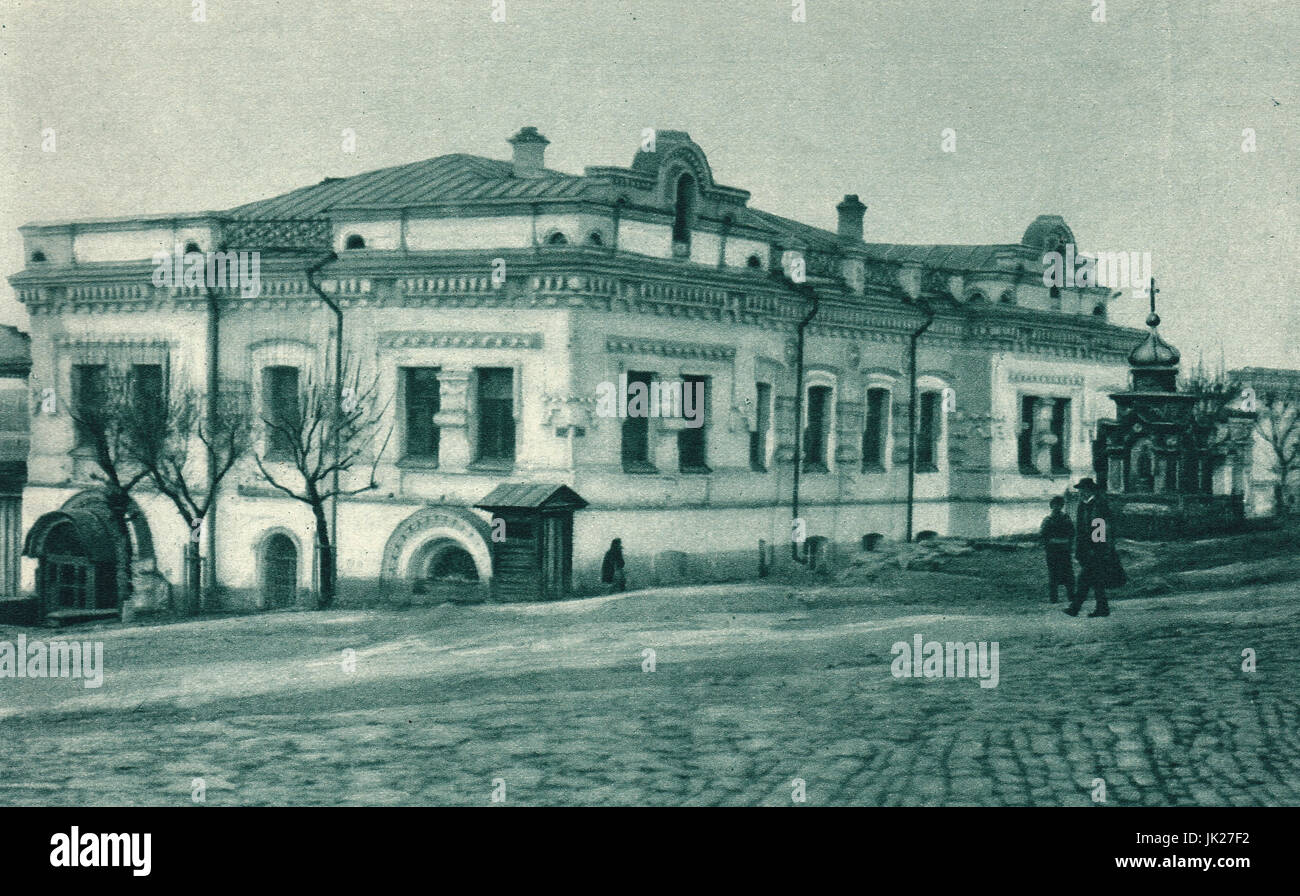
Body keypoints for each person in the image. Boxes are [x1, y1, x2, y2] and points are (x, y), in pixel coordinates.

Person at [1066, 478, 1126, 617]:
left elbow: (1100, 527)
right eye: (1079, 490)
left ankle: (1075, 608)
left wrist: (1097, 549)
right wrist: (1079, 549)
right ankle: (1102, 608)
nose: (1080, 492)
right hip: (1087, 550)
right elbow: (1080, 529)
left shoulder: (1098, 504)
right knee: (1096, 580)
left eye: (1082, 490)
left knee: (1084, 579)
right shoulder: (1083, 505)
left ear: (1089, 490)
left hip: (1097, 550)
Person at [1040, 496, 1075, 604]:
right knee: (1053, 573)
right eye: (1055, 505)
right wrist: (1047, 545)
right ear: (1051, 506)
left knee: (1068, 574)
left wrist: (1069, 545)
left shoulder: (1066, 518)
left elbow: (1072, 533)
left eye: (1059, 505)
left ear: (1062, 506)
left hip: (1064, 550)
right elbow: (1043, 534)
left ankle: (1071, 596)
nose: (1057, 507)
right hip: (1052, 551)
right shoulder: (1047, 520)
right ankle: (1054, 598)